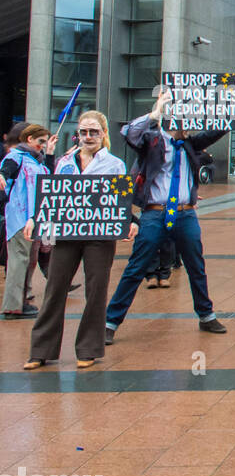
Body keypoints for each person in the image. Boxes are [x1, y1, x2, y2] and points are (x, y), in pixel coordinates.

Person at [105, 89, 234, 343]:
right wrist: (154, 113)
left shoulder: (189, 144)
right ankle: (111, 321)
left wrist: (234, 112)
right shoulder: (152, 140)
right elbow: (129, 134)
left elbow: (216, 131)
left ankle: (206, 315)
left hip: (185, 215)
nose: (187, 125)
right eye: (183, 119)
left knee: (196, 266)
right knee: (136, 267)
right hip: (154, 214)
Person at [24, 111, 137, 369]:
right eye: (84, 132)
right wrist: (35, 219)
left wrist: (131, 222)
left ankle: (88, 348)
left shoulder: (115, 165)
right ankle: (41, 349)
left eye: (94, 132)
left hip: (99, 236)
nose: (88, 137)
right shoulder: (64, 162)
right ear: (78, 134)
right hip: (67, 234)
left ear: (104, 134)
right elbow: (53, 198)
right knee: (55, 288)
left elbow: (121, 202)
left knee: (96, 290)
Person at [1, 124, 56, 319]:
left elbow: (48, 179)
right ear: (29, 139)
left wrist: (50, 153)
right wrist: (2, 175)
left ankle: (20, 303)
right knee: (18, 261)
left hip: (36, 220)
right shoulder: (16, 157)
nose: (42, 145)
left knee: (28, 261)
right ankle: (13, 306)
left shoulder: (36, 162)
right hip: (19, 218)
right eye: (40, 141)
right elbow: (6, 169)